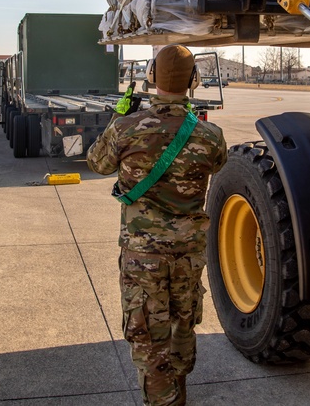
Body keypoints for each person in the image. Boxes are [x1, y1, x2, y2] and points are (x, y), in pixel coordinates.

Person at [87, 45, 227, 406]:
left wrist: (120, 119)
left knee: (149, 333)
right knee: (183, 323)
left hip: (143, 255)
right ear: (195, 80)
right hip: (188, 252)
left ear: (150, 77)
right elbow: (218, 163)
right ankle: (178, 392)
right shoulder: (210, 136)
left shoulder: (126, 128)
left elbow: (97, 164)